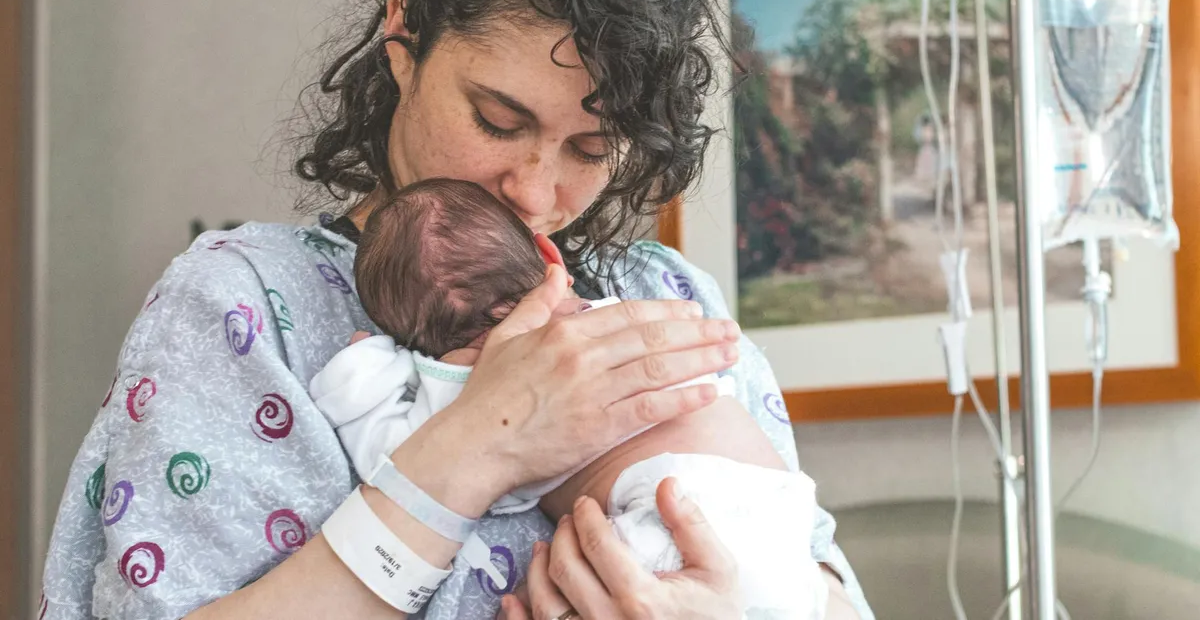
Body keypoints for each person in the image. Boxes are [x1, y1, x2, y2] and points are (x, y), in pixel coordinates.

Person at [39, 0, 874, 619]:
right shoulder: (245, 302)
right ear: (404, 30)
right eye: (497, 119)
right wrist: (479, 444)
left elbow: (825, 575)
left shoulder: (666, 293)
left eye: (592, 148)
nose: (535, 191)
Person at [312, 177, 827, 617]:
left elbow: (389, 452)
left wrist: (364, 371)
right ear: (547, 254)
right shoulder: (632, 311)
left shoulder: (472, 382)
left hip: (671, 530)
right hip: (787, 525)